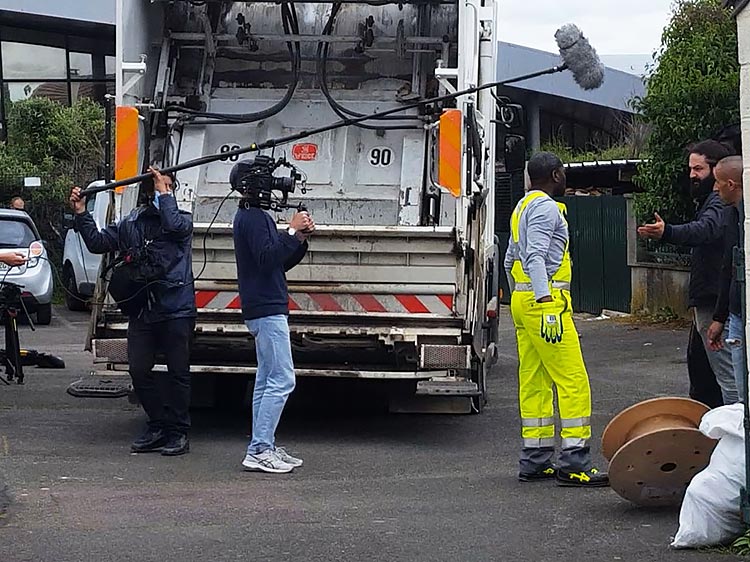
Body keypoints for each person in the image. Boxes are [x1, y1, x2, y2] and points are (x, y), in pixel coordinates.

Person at [69, 167, 196, 456]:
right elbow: (98, 243)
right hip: (143, 311)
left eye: (167, 186)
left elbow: (173, 225)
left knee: (179, 373)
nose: (162, 190)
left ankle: (178, 432)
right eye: (157, 186)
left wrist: (165, 194)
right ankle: (158, 424)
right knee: (139, 370)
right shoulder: (132, 222)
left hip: (176, 309)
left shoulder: (182, 221)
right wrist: (81, 213)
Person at [504, 151, 609, 487]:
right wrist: (545, 299)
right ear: (555, 175)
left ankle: (535, 459)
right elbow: (534, 255)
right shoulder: (547, 208)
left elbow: (510, 258)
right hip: (544, 304)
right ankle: (575, 461)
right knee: (572, 379)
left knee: (533, 380)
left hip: (523, 303)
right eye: (563, 173)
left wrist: (519, 296)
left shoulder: (521, 206)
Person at [638, 140, 738, 406]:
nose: (692, 175)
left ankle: (736, 438)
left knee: (726, 377)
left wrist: (667, 232)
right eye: (690, 169)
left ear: (718, 173)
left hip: (713, 300)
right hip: (709, 299)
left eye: (698, 169)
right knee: (702, 372)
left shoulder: (719, 201)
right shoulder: (713, 200)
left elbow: (705, 230)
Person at [231, 161, 314, 474]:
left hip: (266, 305)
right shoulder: (252, 218)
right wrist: (291, 230)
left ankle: (263, 443)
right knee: (282, 378)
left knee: (266, 380)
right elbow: (267, 259)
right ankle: (260, 448)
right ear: (255, 186)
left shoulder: (255, 216)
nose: (275, 187)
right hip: (266, 309)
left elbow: (278, 261)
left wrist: (299, 239)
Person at [707, 156, 746, 400]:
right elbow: (729, 267)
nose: (714, 188)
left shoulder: (742, 217)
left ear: (731, 184)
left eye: (718, 182)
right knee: (742, 391)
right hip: (736, 313)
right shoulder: (732, 214)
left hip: (740, 312)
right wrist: (720, 317)